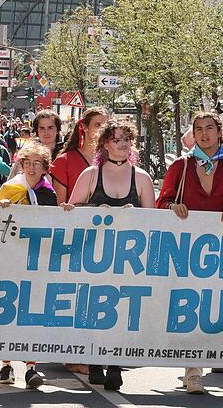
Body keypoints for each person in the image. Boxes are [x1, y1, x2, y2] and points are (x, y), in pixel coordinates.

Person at [155, 111, 223, 394]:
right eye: (199, 129)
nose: (205, 134)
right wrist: (172, 207)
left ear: (219, 132)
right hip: (187, 249)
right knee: (190, 307)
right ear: (193, 135)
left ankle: (210, 357)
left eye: (210, 128)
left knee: (214, 307)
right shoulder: (181, 166)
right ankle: (193, 371)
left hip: (222, 249)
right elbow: (162, 203)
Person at [65, 119, 155, 391]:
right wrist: (94, 211)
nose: (123, 144)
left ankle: (115, 364)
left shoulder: (141, 177)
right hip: (94, 257)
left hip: (127, 259)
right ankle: (94, 361)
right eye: (116, 139)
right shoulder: (90, 175)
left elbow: (152, 221)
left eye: (127, 139)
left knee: (122, 309)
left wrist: (133, 215)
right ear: (105, 143)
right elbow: (71, 210)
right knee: (94, 307)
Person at [0, 142, 57, 389]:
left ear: (44, 167)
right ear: (21, 164)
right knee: (7, 310)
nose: (31, 168)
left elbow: (53, 225)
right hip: (10, 256)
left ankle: (31, 366)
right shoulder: (9, 189)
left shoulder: (48, 193)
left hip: (35, 259)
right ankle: (5, 365)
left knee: (31, 311)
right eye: (27, 163)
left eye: (37, 163)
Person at [49, 107, 108, 205]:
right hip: (75, 218)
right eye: (97, 125)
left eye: (106, 126)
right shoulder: (64, 161)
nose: (102, 130)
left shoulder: (114, 159)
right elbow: (60, 206)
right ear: (85, 127)